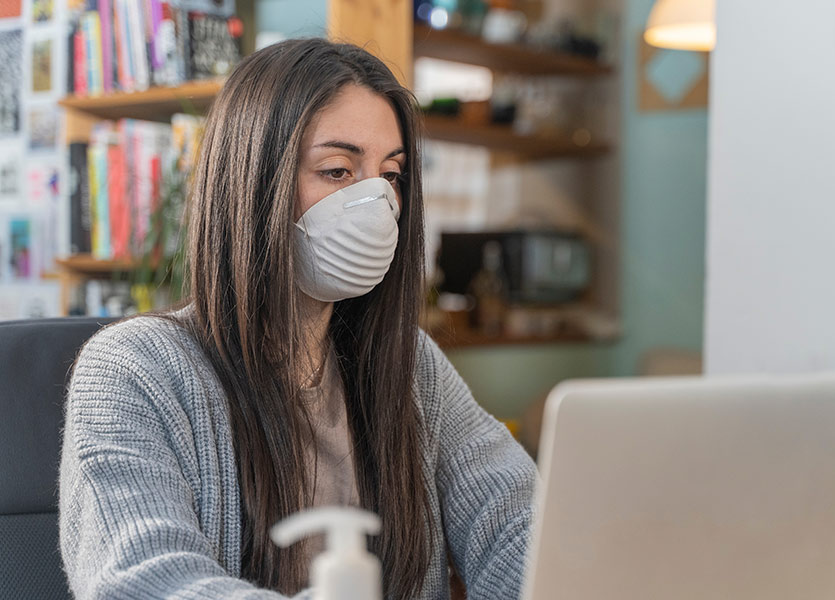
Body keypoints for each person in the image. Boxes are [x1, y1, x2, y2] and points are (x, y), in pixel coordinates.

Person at [58, 38, 536, 600]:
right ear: (255, 182)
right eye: (337, 170)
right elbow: (142, 582)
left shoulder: (411, 368)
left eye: (391, 175)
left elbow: (516, 527)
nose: (376, 204)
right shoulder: (134, 371)